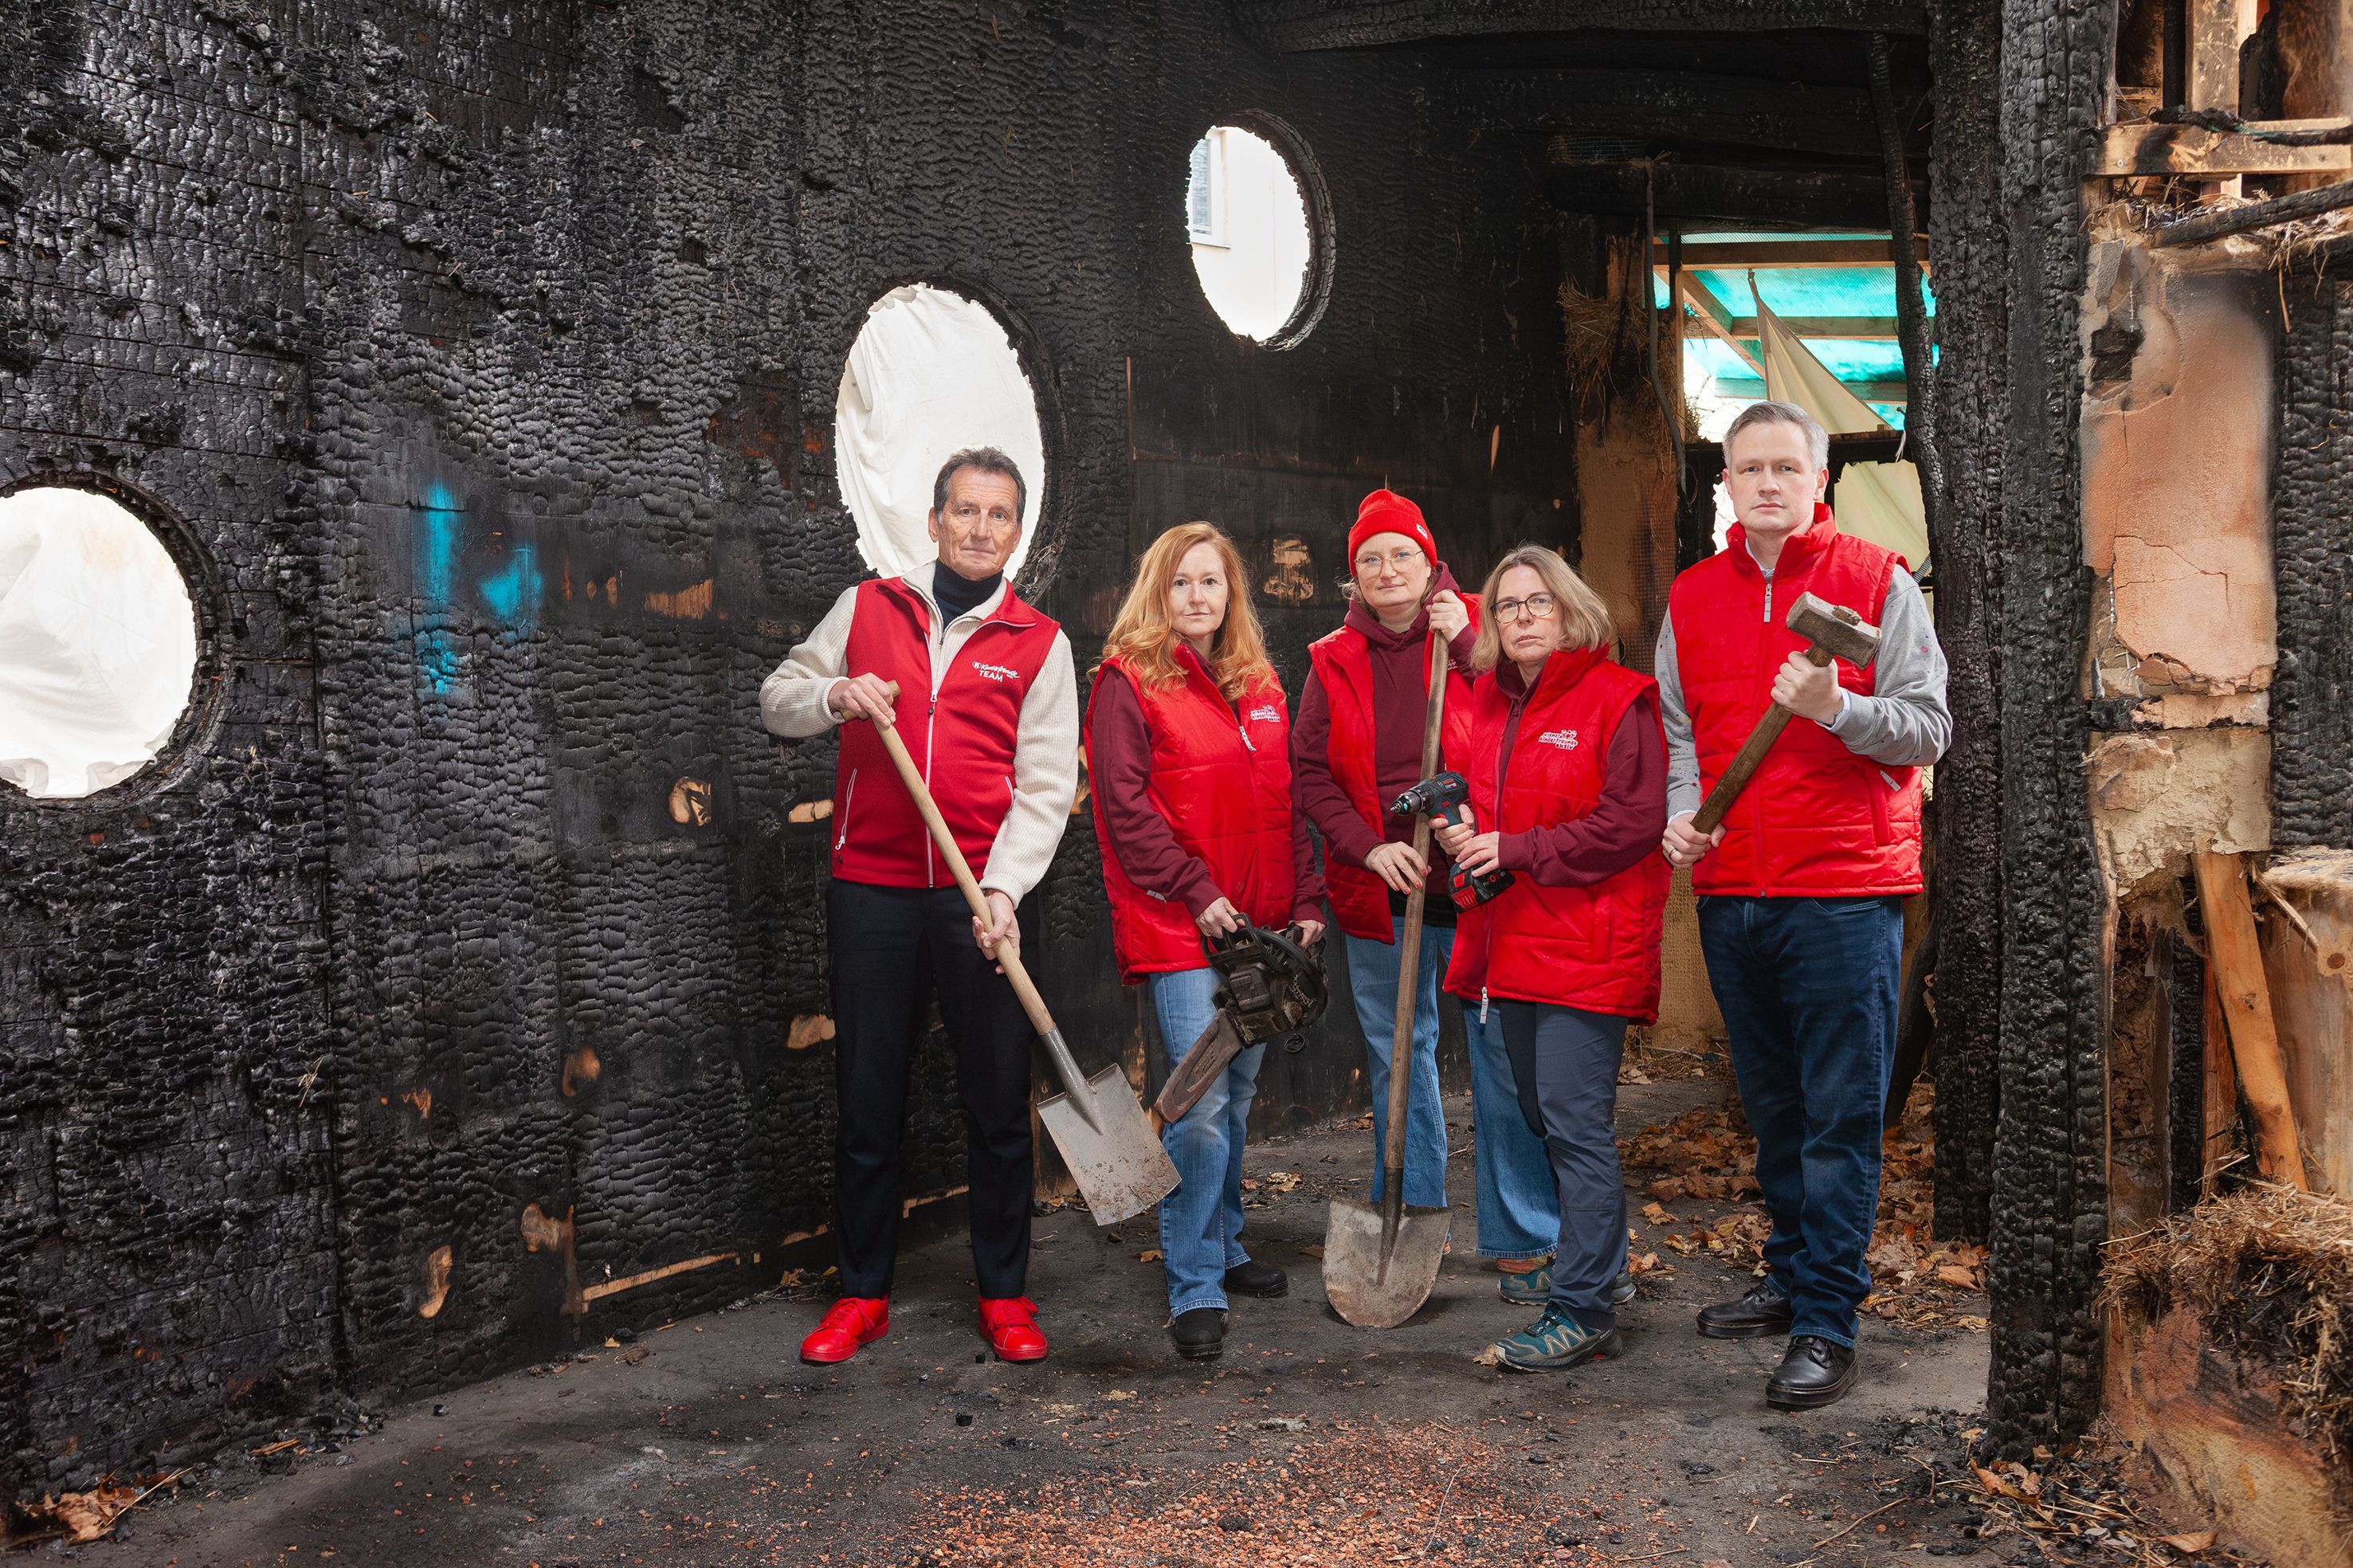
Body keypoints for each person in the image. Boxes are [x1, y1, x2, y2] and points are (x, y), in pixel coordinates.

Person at [1657, 400, 1950, 1410]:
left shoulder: (1877, 582)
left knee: (1838, 1116)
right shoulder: (1692, 595)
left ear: (1818, 478)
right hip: (1733, 891)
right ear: (1727, 485)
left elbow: (1929, 728)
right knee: (1773, 1106)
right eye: (1749, 468)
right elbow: (1680, 730)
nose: (1768, 483)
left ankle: (1829, 1317)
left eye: (1787, 465)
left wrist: (1837, 708)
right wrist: (1687, 813)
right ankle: (1788, 1278)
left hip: (1842, 892)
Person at [760, 446, 1079, 1368]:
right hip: (873, 891)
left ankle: (1005, 1294)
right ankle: (861, 1295)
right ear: (935, 518)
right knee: (867, 1098)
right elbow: (777, 699)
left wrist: (1005, 889)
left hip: (982, 900)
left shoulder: (1039, 643)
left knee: (993, 1104)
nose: (981, 529)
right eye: (965, 511)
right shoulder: (868, 609)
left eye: (999, 516)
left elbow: (1046, 782)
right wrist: (833, 693)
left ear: (1016, 532)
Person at [1291, 490, 1559, 1296]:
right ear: (1354, 576)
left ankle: (1521, 1235)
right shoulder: (1332, 658)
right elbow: (1310, 774)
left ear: (1428, 556)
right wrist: (1369, 848)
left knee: (1502, 1062)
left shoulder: (1486, 621)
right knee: (1396, 1058)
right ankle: (1412, 1218)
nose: (1385, 570)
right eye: (1368, 559)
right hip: (1387, 892)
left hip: (1483, 883)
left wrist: (1472, 641)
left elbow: (1550, 706)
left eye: (1399, 553)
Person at [1084, 522, 1327, 1362]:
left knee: (1237, 1094)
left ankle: (1224, 1244)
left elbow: (1287, 800)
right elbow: (1124, 809)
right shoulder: (1127, 682)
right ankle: (1194, 1283)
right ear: (1159, 589)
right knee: (1197, 1106)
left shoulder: (1259, 682)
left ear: (1232, 593)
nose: (1197, 597)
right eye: (1182, 582)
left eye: (1212, 583)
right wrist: (1195, 890)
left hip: (1260, 929)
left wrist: (1306, 896)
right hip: (1184, 926)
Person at [1431, 546, 1669, 1372]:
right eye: (1506, 606)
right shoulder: (1493, 706)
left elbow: (1630, 826)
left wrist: (1516, 845)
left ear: (1571, 611)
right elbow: (1494, 817)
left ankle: (1583, 1308)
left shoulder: (1618, 699)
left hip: (1587, 946)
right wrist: (1464, 835)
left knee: (1572, 1126)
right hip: (1512, 945)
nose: (1523, 617)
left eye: (1538, 602)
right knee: (1541, 1118)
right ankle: (1592, 1265)